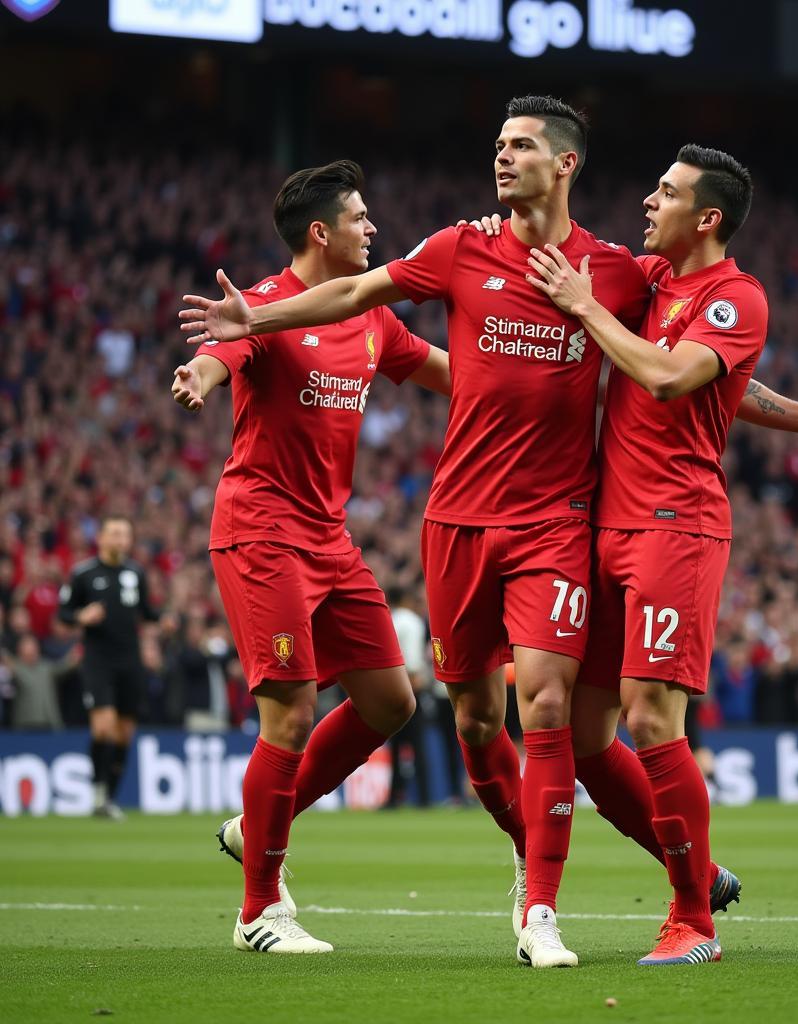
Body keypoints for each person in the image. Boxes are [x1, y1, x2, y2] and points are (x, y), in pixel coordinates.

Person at [179, 100, 798, 967]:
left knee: (556, 707)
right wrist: (253, 320)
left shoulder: (619, 273)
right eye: (497, 144)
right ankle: (545, 850)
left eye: (519, 145)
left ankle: (544, 907)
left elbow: (696, 374)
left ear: (564, 165)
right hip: (456, 522)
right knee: (479, 718)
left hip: (564, 524)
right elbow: (356, 292)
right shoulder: (460, 247)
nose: (501, 155)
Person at [525, 144, 798, 965]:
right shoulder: (656, 283)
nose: (646, 203)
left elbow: (671, 378)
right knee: (586, 734)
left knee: (651, 717)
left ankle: (693, 920)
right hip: (604, 530)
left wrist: (590, 311)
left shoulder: (736, 297)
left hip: (676, 527)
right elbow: (733, 389)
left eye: (664, 193)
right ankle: (693, 868)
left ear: (707, 218)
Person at [171, 160, 451, 954]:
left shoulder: (370, 317)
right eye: (361, 218)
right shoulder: (262, 309)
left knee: (391, 701)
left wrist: (537, 388)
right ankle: (259, 910)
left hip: (330, 538)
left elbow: (448, 375)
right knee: (290, 714)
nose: (373, 230)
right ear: (321, 233)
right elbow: (222, 354)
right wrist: (197, 372)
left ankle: (259, 822)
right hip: (262, 532)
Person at [58, 515, 171, 818]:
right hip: (98, 660)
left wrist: (163, 621)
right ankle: (97, 792)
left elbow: (146, 612)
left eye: (126, 534)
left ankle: (108, 797)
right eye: (116, 533)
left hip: (130, 661)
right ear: (102, 538)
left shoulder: (135, 573)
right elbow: (64, 613)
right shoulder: (83, 574)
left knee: (124, 734)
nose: (121, 540)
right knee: (103, 727)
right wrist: (82, 617)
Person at [386, 587, 431, 808]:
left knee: (396, 748)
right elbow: (413, 663)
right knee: (417, 747)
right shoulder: (412, 621)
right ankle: (424, 797)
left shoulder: (391, 619)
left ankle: (394, 796)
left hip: (391, 689)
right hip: (411, 690)